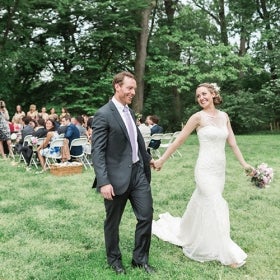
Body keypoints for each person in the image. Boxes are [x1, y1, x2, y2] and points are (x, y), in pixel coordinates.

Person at [152, 83, 253, 268]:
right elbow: (179, 140)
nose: (201, 98)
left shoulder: (224, 117)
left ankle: (190, 232)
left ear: (213, 94)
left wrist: (244, 164)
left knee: (205, 203)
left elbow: (233, 143)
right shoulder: (197, 117)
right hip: (204, 169)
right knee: (216, 203)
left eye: (204, 94)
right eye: (198, 96)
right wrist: (161, 160)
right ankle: (227, 252)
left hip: (219, 170)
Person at [91, 71, 155, 275]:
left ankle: (140, 260)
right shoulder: (103, 114)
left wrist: (146, 159)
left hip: (138, 174)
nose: (133, 92)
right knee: (113, 222)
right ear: (117, 87)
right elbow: (97, 151)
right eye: (129, 88)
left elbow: (134, 141)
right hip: (115, 177)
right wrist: (103, 181)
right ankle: (114, 261)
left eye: (134, 88)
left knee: (146, 216)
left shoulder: (129, 111)